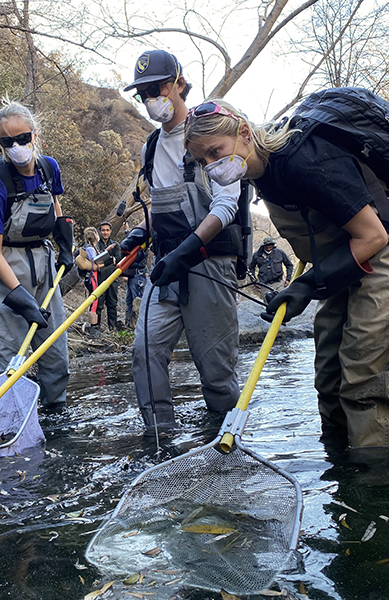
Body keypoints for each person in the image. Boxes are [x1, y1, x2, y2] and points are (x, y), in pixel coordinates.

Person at [184, 100, 389, 449]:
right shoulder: (260, 177)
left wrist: (306, 285)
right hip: (342, 257)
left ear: (245, 134)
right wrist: (303, 284)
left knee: (362, 375)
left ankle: (376, 484)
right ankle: (341, 467)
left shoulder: (303, 160)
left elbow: (374, 235)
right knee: (329, 377)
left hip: (385, 243)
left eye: (215, 151)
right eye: (202, 160)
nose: (211, 165)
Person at [119, 50, 243, 432]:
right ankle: (160, 440)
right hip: (167, 266)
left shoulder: (211, 132)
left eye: (155, 89)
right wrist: (145, 230)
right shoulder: (150, 146)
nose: (149, 100)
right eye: (142, 94)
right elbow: (159, 200)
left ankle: (226, 445)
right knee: (145, 349)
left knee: (217, 371)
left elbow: (227, 204)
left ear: (178, 84)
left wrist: (189, 248)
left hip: (209, 265)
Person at [0, 101, 73, 408]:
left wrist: (65, 245)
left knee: (55, 351)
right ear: (0, 144)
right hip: (5, 268)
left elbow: (56, 208)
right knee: (10, 356)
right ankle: (13, 418)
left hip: (43, 263)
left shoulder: (48, 168)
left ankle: (57, 415)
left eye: (23, 138)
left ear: (35, 135)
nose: (17, 146)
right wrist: (19, 296)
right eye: (8, 142)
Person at [96, 221, 123, 331]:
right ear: (100, 231)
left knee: (112, 303)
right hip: (99, 278)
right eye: (103, 230)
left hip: (112, 278)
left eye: (107, 230)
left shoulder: (115, 245)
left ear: (111, 231)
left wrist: (108, 261)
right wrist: (109, 259)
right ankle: (96, 327)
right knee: (98, 303)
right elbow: (96, 260)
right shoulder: (96, 245)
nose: (105, 232)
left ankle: (112, 328)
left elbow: (118, 260)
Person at [76, 227, 103, 337]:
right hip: (92, 278)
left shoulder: (87, 248)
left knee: (94, 302)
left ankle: (95, 326)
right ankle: (93, 328)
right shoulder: (91, 249)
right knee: (94, 303)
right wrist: (106, 263)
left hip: (91, 278)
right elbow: (94, 266)